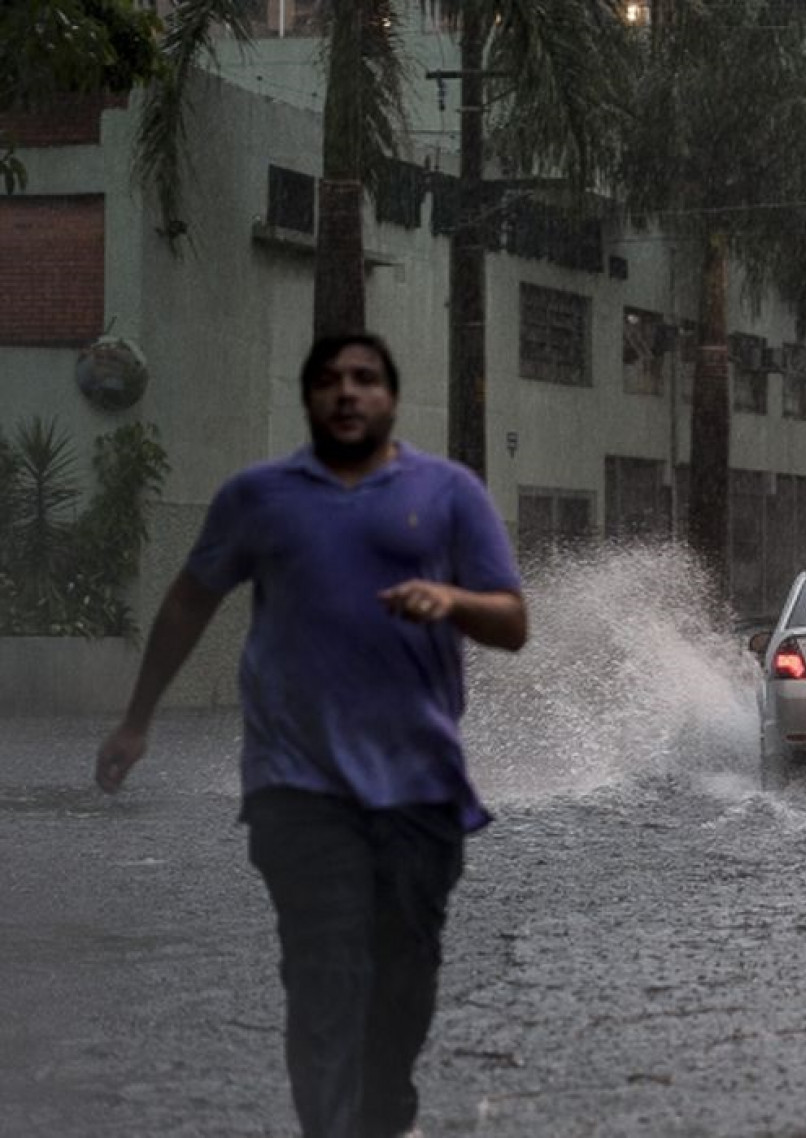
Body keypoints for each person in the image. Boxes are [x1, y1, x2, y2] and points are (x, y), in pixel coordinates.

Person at [94, 332, 528, 1138]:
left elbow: (512, 622)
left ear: (391, 398)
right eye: (328, 380)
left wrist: (450, 600)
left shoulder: (449, 494)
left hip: (420, 788)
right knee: (324, 977)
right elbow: (190, 599)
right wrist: (137, 719)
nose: (346, 392)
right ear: (308, 400)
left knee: (402, 980)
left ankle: (384, 1111)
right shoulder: (258, 497)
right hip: (296, 788)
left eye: (365, 379)